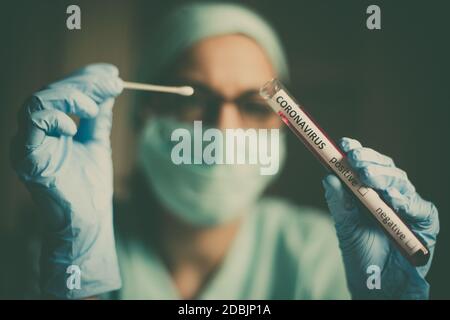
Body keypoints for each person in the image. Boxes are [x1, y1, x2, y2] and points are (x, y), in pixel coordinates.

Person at [11, 2, 439, 300]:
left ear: (281, 122)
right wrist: (80, 275)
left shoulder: (322, 254)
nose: (223, 128)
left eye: (254, 105)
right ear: (143, 112)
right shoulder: (61, 247)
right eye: (194, 97)